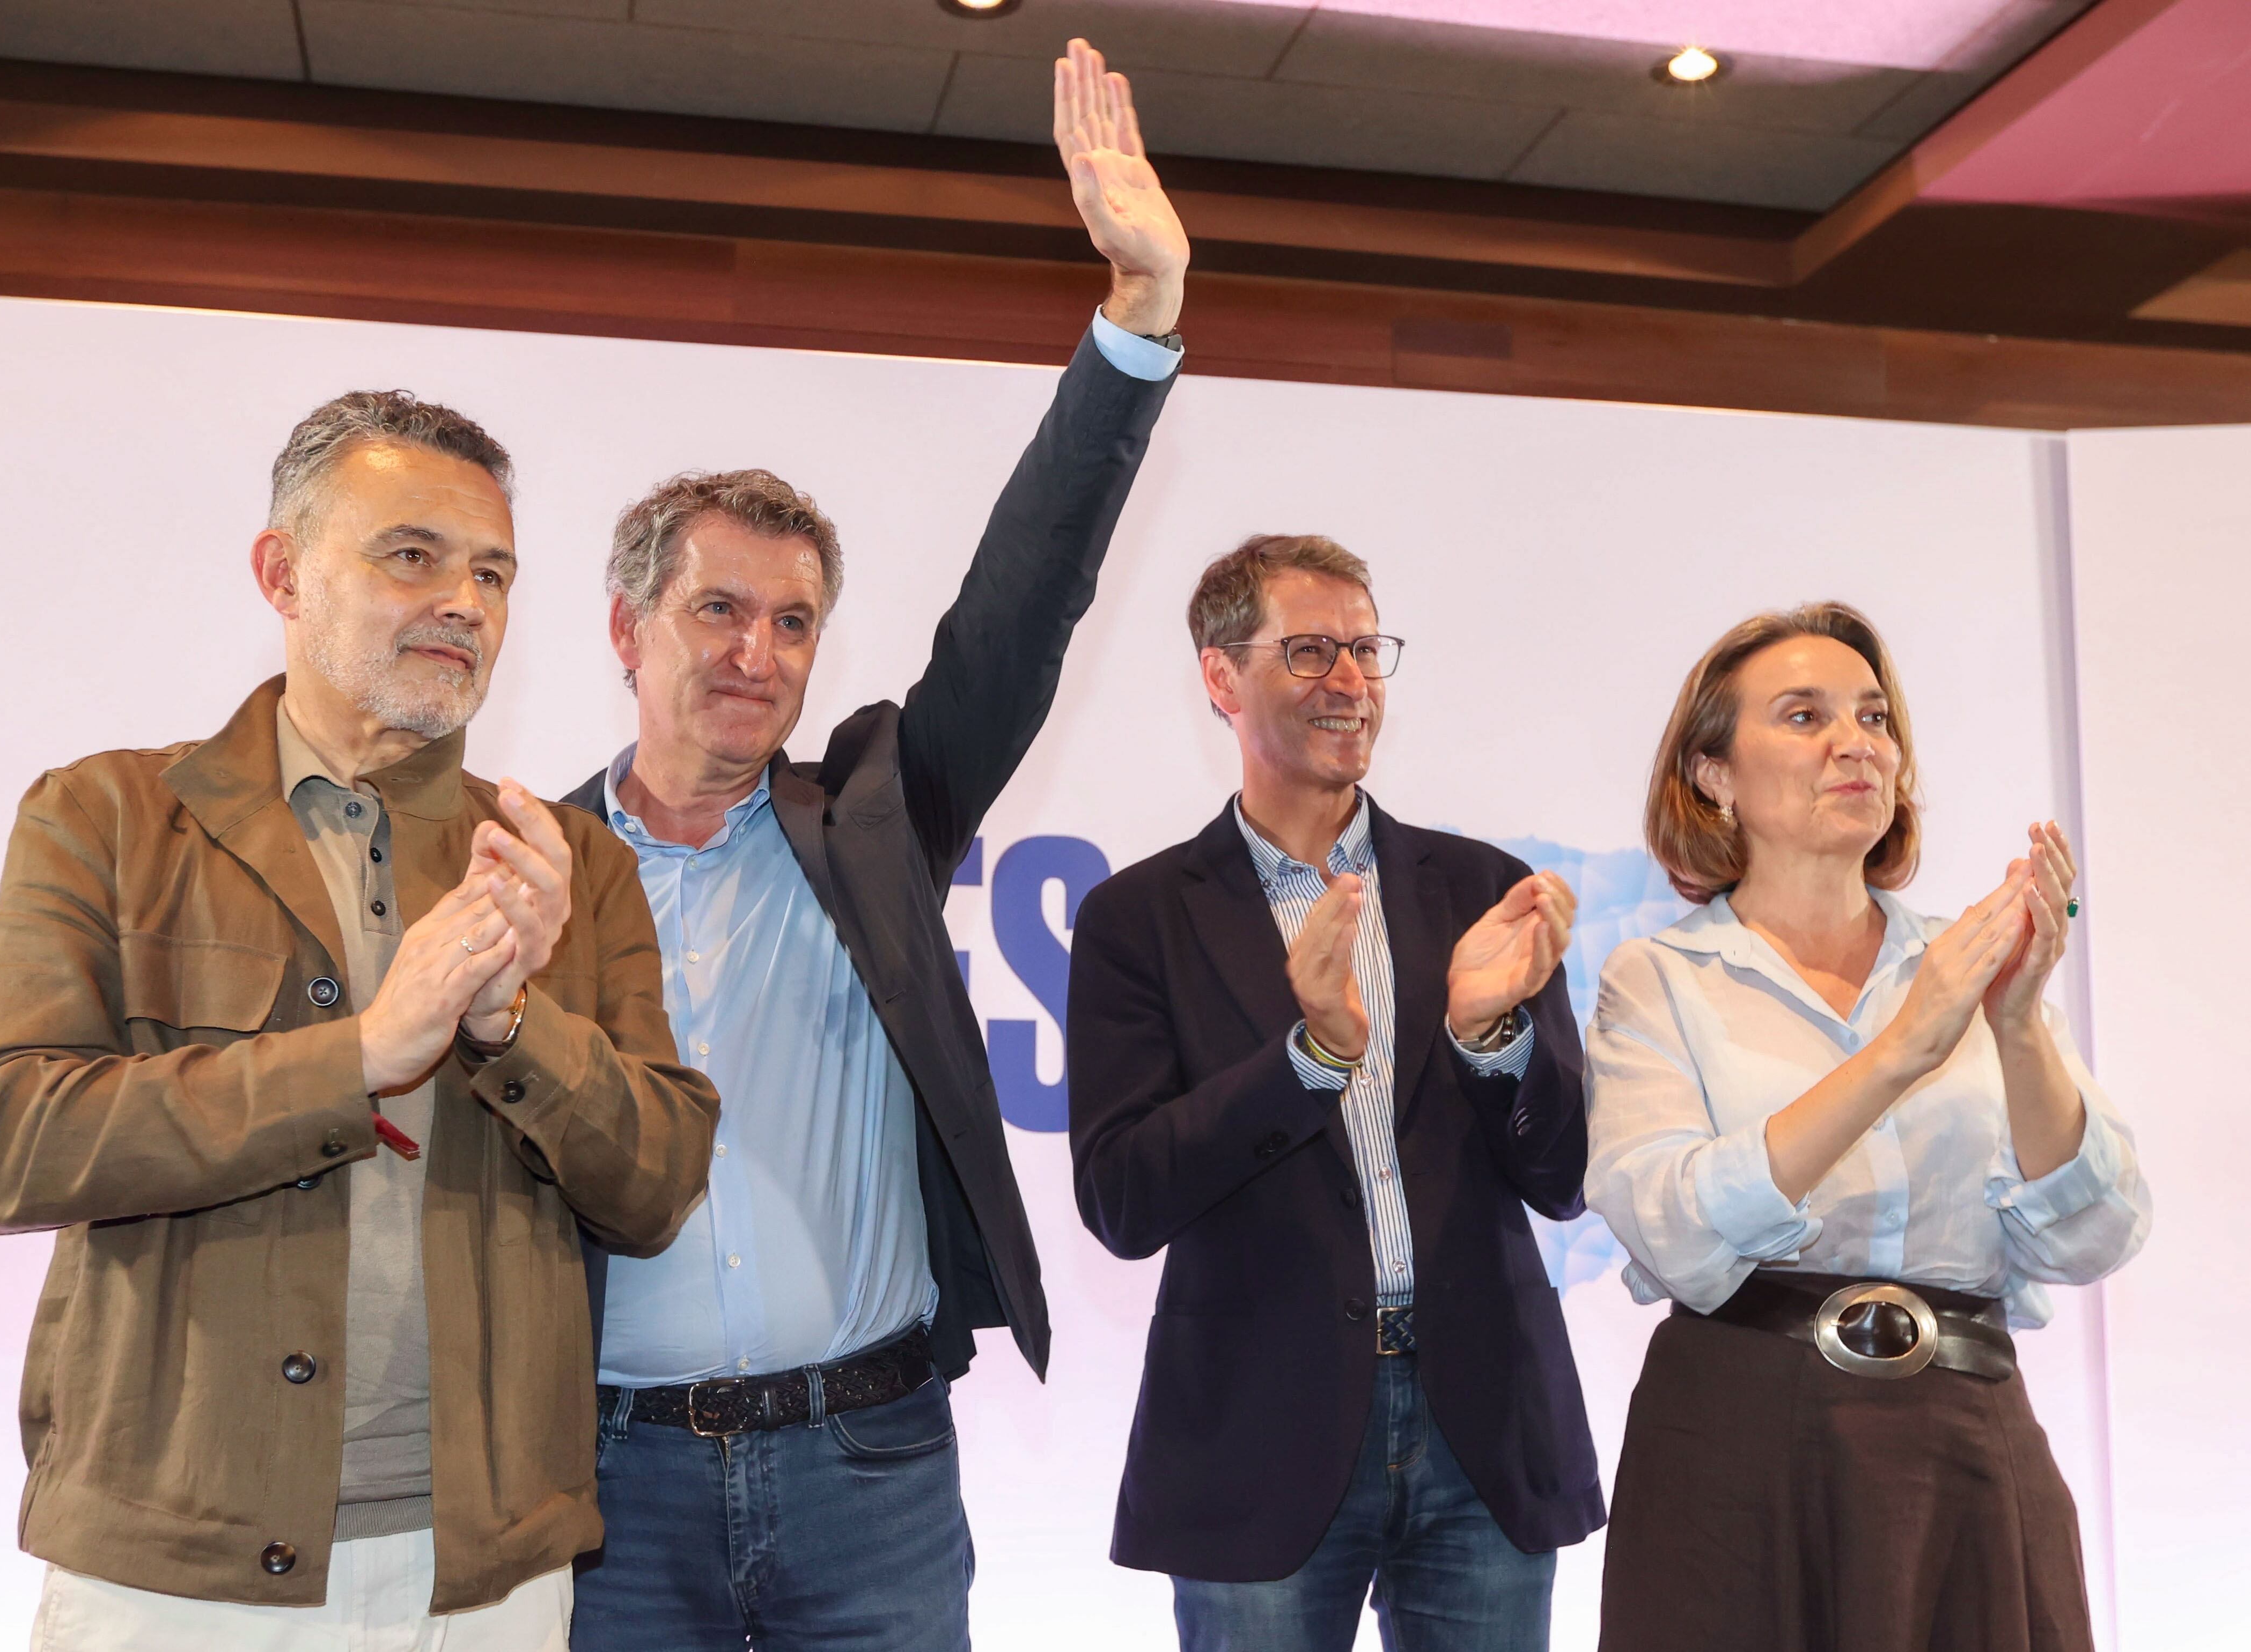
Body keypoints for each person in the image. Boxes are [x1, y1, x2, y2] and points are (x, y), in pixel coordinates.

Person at [555, 36, 1188, 1652]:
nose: (756, 651)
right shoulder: (523, 876)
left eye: (791, 620)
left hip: (873, 1467)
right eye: (716, 609)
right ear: (626, 628)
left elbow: (1021, 601)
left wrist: (1135, 324)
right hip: (609, 1491)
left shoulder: (874, 822)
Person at [0, 392, 720, 1651]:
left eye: (493, 572)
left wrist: (513, 1022)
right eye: (412, 555)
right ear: (283, 572)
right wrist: (359, 1054)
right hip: (176, 1564)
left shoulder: (565, 860)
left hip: (485, 1575)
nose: (464, 601)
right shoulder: (110, 817)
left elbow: (659, 1182)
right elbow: (1, 1141)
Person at [1065, 534, 1604, 1652]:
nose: (1351, 682)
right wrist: (1306, 1058)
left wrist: (1491, 1035)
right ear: (1221, 677)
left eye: (1366, 650)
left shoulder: (1478, 889)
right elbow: (1122, 1199)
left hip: (1483, 1427)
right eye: (1310, 652)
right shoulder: (1141, 918)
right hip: (1257, 1434)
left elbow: (1561, 1177)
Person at [1584, 601, 2151, 1651]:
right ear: (1714, 773)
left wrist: (2015, 1024)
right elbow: (1673, 1229)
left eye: (1874, 717)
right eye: (1804, 716)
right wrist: (1898, 1051)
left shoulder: (1974, 960)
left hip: (1966, 1436)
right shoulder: (1658, 979)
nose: (1857, 744)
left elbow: (2096, 1233)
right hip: (1739, 1435)